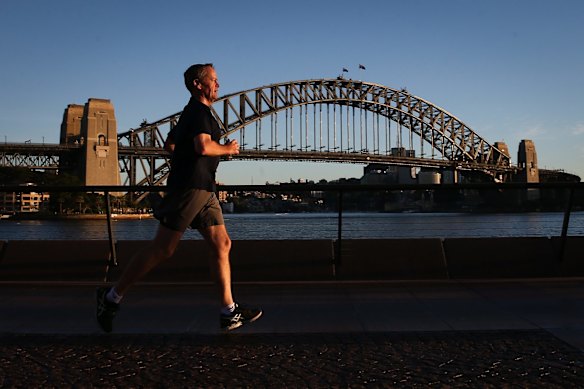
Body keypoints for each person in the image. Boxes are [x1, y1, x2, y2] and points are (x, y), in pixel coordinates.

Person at [96, 63, 262, 332]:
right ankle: (110, 297)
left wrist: (187, 156)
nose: (218, 84)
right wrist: (227, 149)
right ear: (199, 84)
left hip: (204, 188)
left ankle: (228, 311)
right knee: (163, 249)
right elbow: (203, 146)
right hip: (190, 187)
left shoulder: (192, 113)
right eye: (214, 80)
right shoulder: (197, 111)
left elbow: (170, 144)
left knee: (222, 244)